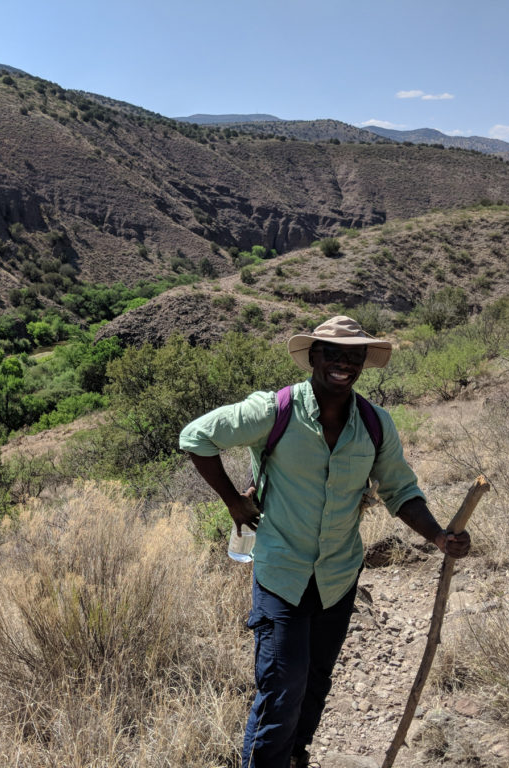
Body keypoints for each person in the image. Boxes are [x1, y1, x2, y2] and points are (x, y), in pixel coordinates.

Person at [179, 315, 471, 768]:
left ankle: (296, 757)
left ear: (362, 364)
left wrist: (438, 536)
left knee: (316, 680)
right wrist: (233, 502)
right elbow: (196, 437)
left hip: (337, 574)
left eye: (353, 356)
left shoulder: (374, 424)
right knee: (281, 687)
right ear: (313, 356)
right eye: (332, 353)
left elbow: (399, 490)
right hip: (282, 573)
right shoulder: (274, 410)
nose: (343, 363)